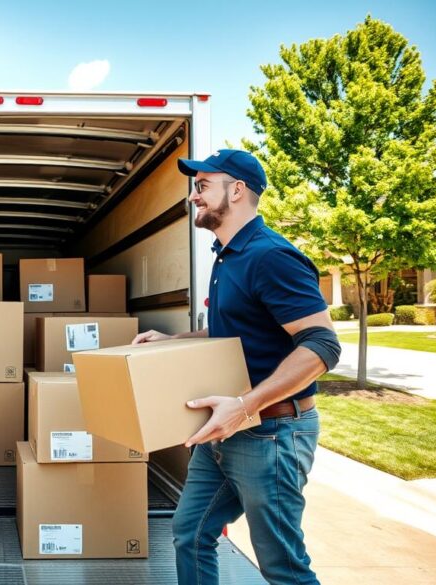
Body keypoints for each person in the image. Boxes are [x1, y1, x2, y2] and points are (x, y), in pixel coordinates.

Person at [132, 149, 341, 585]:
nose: (193, 196)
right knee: (189, 532)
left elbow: (323, 344)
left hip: (272, 435)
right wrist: (172, 341)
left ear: (238, 190)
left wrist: (245, 405)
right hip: (226, 429)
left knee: (283, 567)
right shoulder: (228, 256)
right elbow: (230, 331)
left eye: (203, 186)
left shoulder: (270, 256)